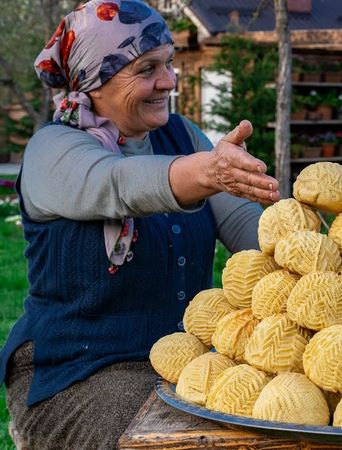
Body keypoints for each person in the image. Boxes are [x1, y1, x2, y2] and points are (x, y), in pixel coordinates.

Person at [0, 1, 280, 448]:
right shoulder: (52, 150)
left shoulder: (182, 135)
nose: (168, 80)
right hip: (80, 375)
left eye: (168, 63)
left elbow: (248, 224)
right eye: (147, 68)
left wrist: (312, 248)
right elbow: (118, 183)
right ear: (95, 81)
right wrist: (205, 172)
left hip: (183, 361)